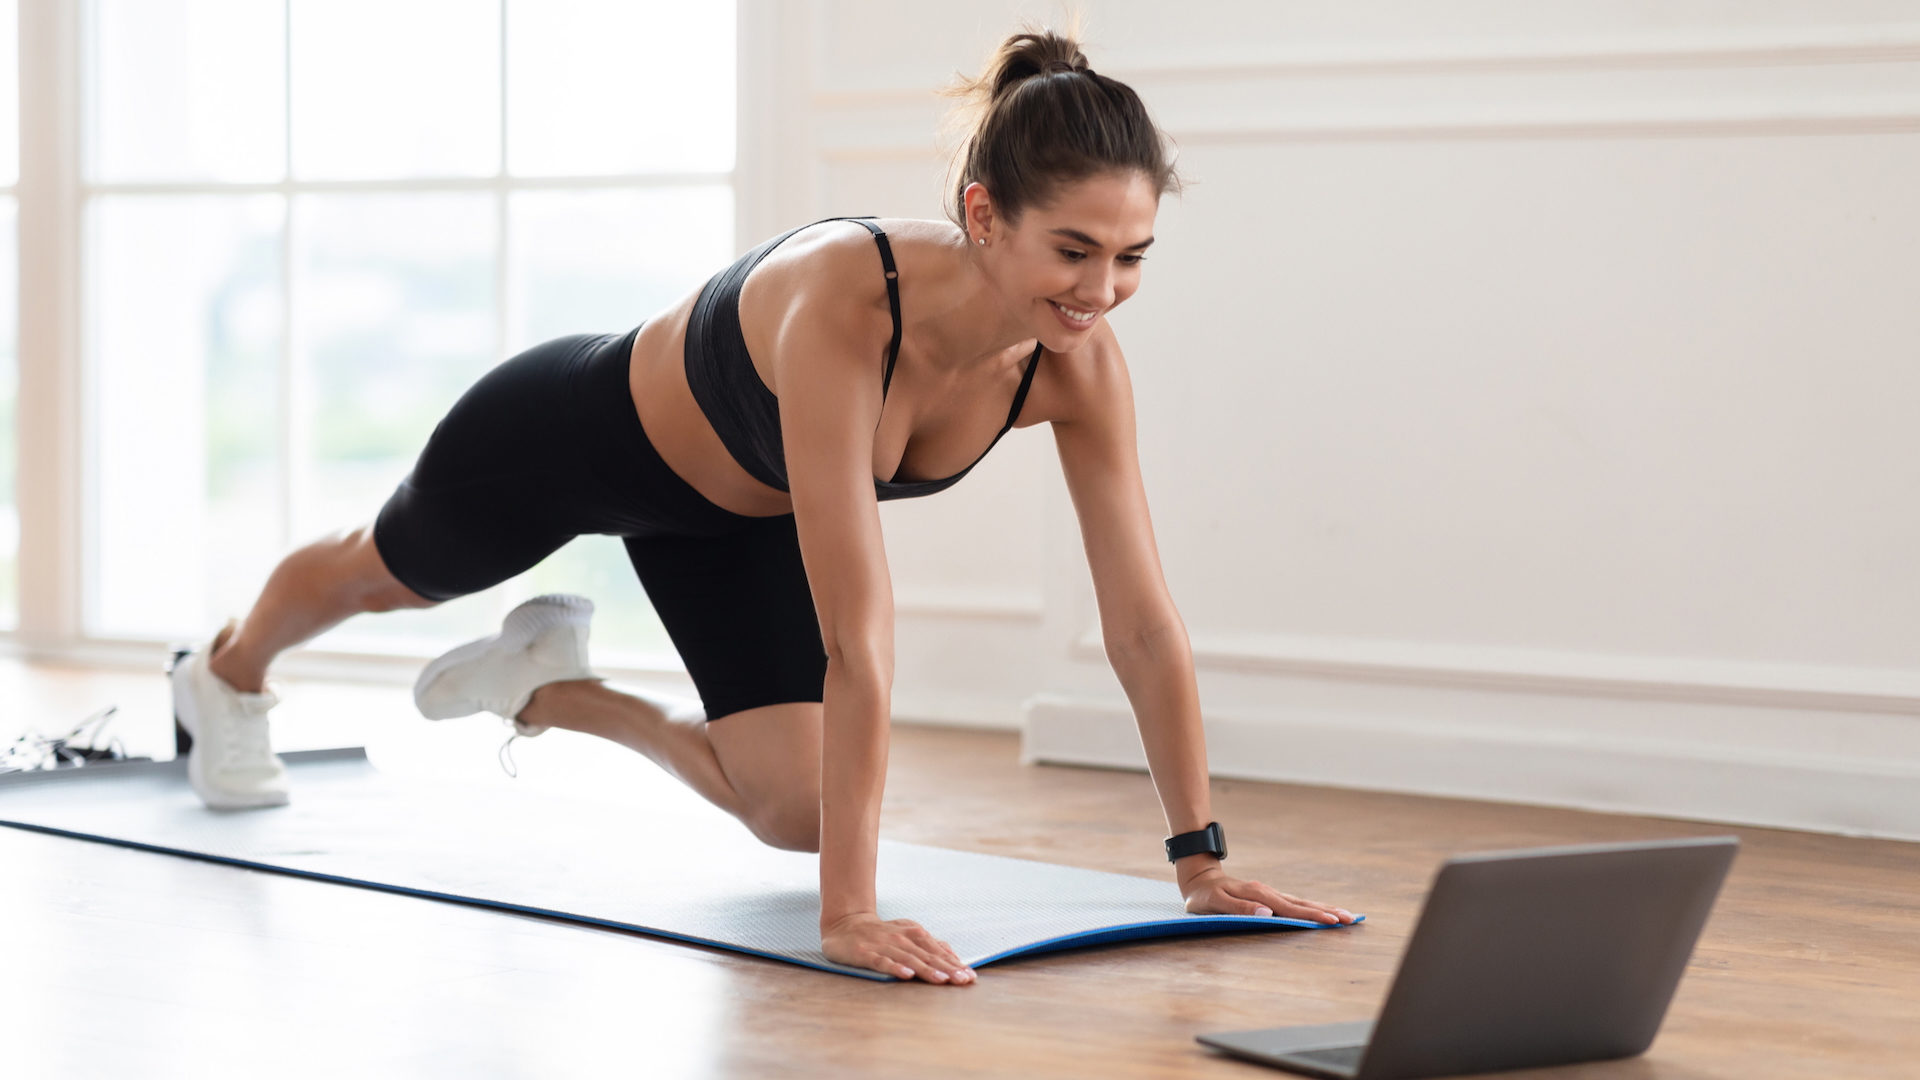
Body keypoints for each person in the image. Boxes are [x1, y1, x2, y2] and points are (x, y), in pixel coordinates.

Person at [169, 27, 1356, 983]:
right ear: (985, 213)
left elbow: (1141, 621)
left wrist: (1199, 860)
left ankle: (544, 686)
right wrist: (850, 914)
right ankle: (225, 675)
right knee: (387, 570)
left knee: (796, 811)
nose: (1103, 290)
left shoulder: (1074, 365)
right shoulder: (846, 302)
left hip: (732, 525)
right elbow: (859, 630)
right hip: (569, 439)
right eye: (1075, 250)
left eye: (1133, 255)